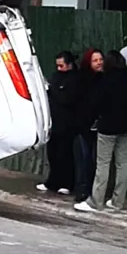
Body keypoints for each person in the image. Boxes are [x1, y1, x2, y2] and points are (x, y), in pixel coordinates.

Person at [74, 50, 127, 213]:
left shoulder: (105, 81)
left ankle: (96, 201)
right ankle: (118, 201)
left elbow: (96, 103)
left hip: (107, 127)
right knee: (122, 163)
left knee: (103, 164)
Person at [37, 51, 79, 195]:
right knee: (53, 153)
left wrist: (52, 91)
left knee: (65, 154)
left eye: (62, 65)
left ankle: (66, 183)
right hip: (54, 121)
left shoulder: (74, 79)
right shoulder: (56, 77)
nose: (59, 69)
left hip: (67, 122)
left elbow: (66, 99)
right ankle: (53, 182)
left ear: (69, 64)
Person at [71, 47, 105, 203]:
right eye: (95, 60)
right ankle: (83, 190)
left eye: (100, 60)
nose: (99, 63)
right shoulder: (82, 79)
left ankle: (94, 190)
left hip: (100, 126)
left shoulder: (104, 78)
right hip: (84, 125)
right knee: (85, 159)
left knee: (96, 160)